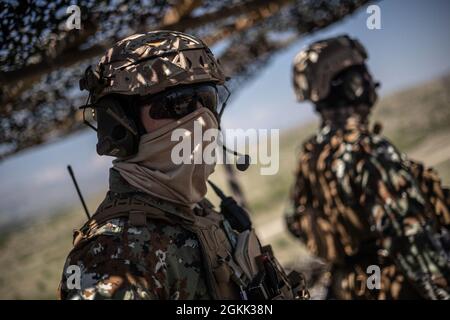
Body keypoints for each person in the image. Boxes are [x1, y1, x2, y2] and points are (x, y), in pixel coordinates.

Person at [58, 30, 306, 300]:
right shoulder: (112, 258)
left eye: (207, 100)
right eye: (177, 104)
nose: (202, 120)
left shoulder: (199, 210)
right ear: (121, 123)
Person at [285, 35, 450, 300]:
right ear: (353, 85)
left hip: (349, 288)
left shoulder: (313, 155)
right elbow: (414, 247)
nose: (372, 81)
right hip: (393, 288)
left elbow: (293, 221)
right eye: (363, 73)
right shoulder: (370, 152)